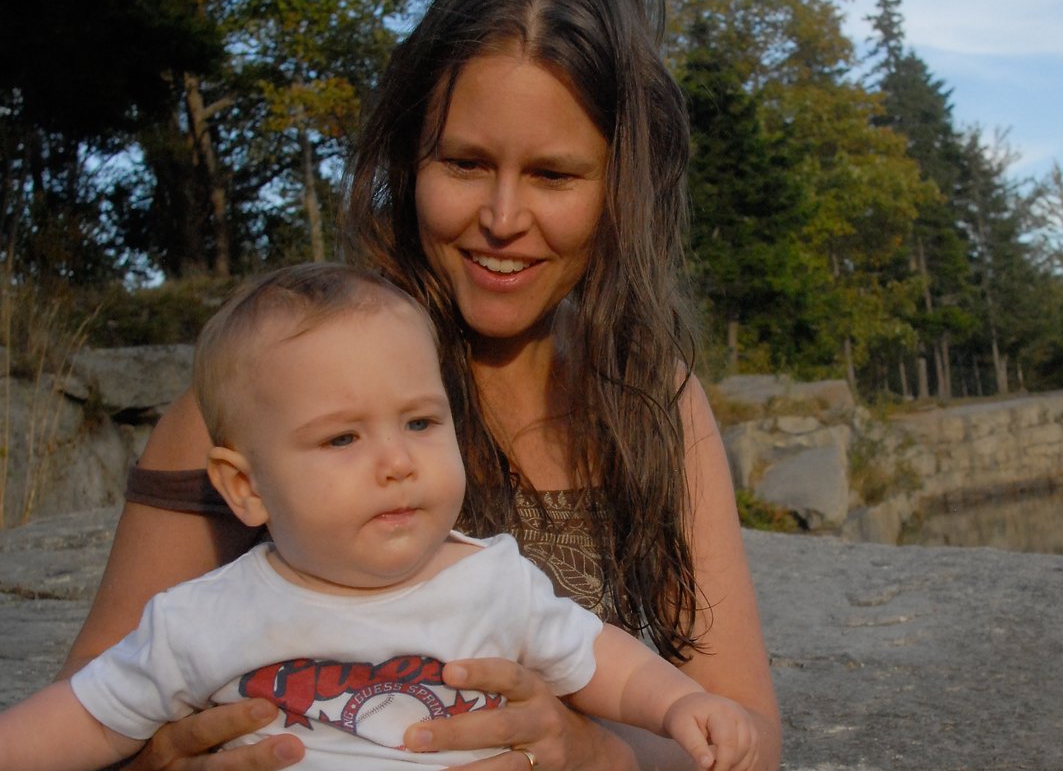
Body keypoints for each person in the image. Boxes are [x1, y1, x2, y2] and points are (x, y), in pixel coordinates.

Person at [60, 0, 782, 771]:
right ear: (408, 158)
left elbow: (745, 738)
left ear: (622, 188)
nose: (503, 217)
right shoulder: (264, 402)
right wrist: (162, 764)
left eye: (554, 175)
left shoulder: (648, 398)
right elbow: (88, 709)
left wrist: (591, 753)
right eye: (465, 162)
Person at [1, 264, 758, 771]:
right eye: (342, 437)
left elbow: (604, 661)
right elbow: (86, 716)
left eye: (422, 423)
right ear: (246, 486)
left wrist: (681, 703)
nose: (395, 460)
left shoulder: (492, 579)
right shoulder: (203, 618)